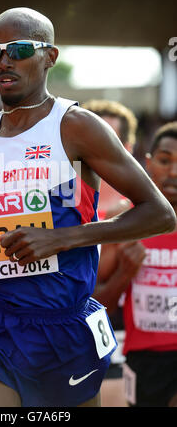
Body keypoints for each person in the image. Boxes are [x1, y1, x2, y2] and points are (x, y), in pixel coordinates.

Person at [0, 7, 176, 408]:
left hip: (63, 326)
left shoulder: (75, 126)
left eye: (19, 49)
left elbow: (159, 213)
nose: (5, 60)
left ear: (49, 56)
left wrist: (63, 238)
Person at [81, 99, 140, 407]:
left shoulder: (146, 212)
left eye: (109, 140)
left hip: (123, 336)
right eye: (89, 140)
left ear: (127, 148)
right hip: (65, 334)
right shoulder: (62, 206)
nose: (96, 150)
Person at [120, 121, 177, 407]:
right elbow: (95, 301)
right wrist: (124, 273)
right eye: (166, 161)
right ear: (149, 163)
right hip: (144, 358)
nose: (174, 172)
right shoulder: (125, 223)